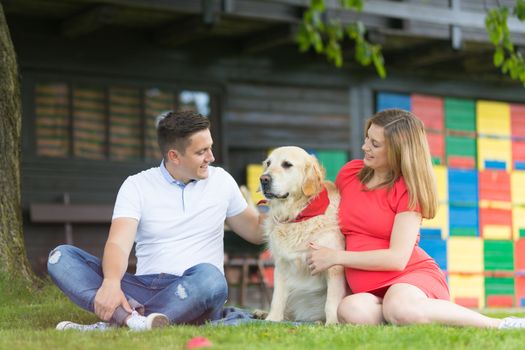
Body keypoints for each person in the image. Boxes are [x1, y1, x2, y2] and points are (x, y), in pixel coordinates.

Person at [306, 108, 525, 329]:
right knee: (351, 310)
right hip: (372, 292)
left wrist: (336, 257)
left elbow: (397, 258)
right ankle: (408, 315)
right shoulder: (349, 173)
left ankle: (499, 324)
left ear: (397, 151)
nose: (365, 147)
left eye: (375, 144)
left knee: (400, 308)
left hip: (410, 277)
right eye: (367, 139)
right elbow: (320, 204)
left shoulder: (407, 190)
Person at [47, 110, 264, 331]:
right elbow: (118, 245)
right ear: (174, 156)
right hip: (144, 287)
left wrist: (283, 204)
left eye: (210, 147)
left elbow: (256, 231)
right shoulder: (136, 185)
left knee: (212, 278)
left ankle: (122, 322)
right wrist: (111, 283)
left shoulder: (222, 181)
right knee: (61, 257)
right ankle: (141, 322)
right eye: (201, 152)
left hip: (197, 290)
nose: (211, 157)